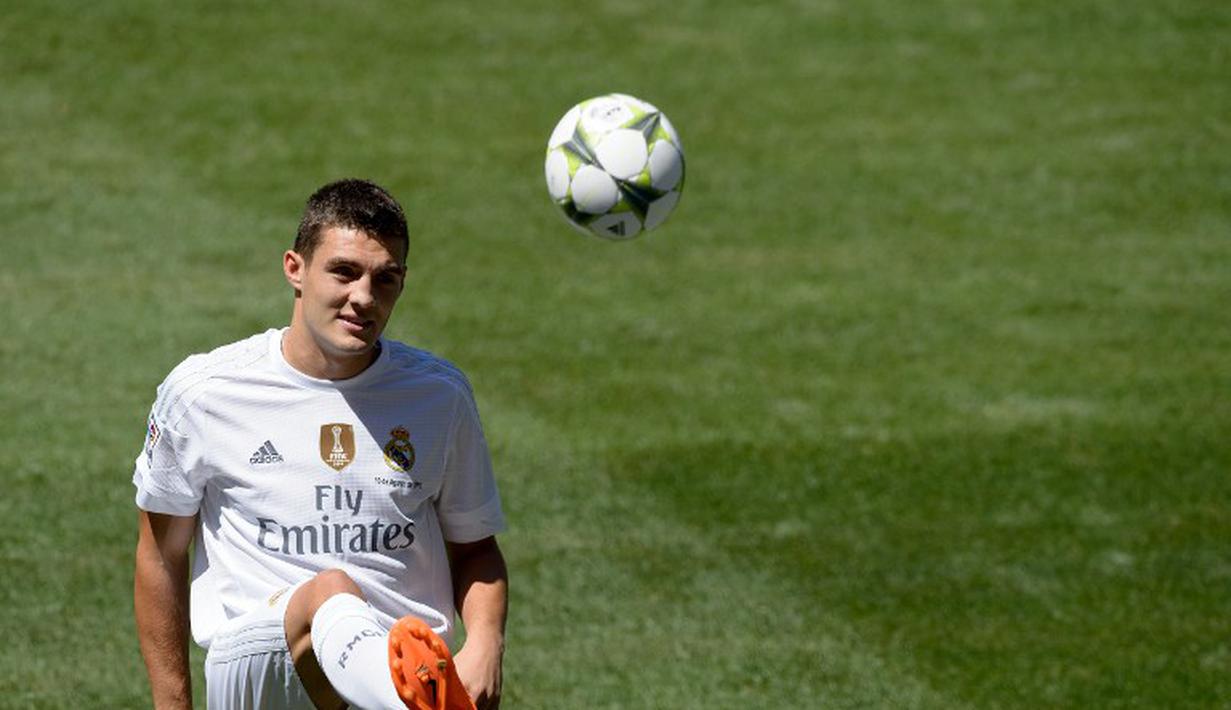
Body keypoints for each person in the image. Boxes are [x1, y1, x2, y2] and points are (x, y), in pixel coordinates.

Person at [133, 179, 508, 709]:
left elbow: (475, 549)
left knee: (339, 601)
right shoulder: (204, 394)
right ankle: (411, 699)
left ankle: (403, 690)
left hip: (402, 655)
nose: (364, 296)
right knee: (329, 593)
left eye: (386, 279)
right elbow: (160, 557)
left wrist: (487, 641)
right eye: (344, 271)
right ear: (295, 268)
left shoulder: (439, 397)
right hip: (259, 669)